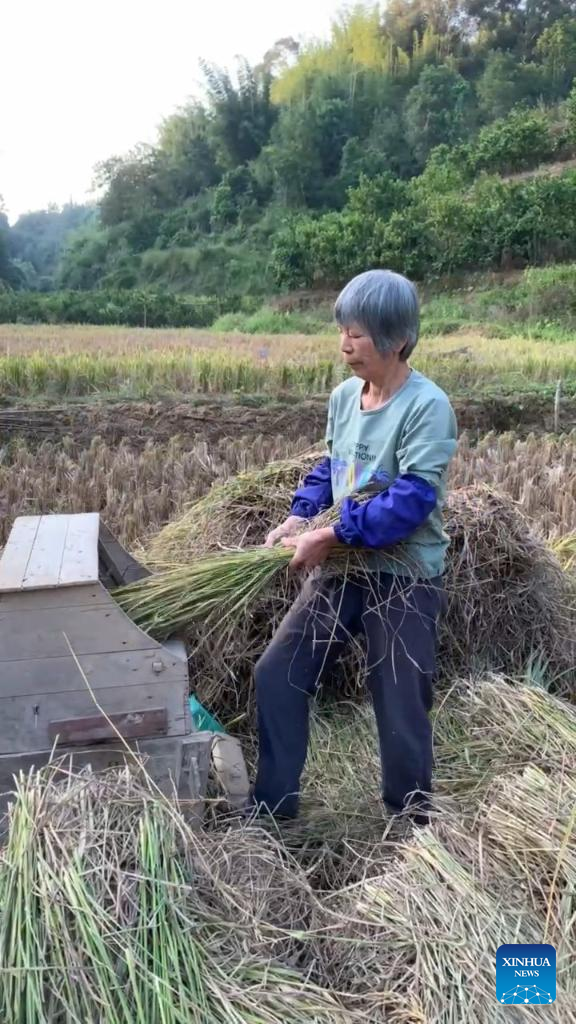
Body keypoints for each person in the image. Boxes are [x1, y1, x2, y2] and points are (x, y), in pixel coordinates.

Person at [253, 269, 458, 826]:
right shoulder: (346, 397)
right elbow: (333, 466)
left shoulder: (426, 406)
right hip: (344, 566)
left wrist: (332, 533)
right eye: (342, 330)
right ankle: (273, 810)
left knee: (399, 702)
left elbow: (413, 498)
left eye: (359, 334)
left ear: (395, 339)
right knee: (277, 674)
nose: (345, 344)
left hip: (403, 573)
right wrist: (301, 515)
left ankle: (409, 824)